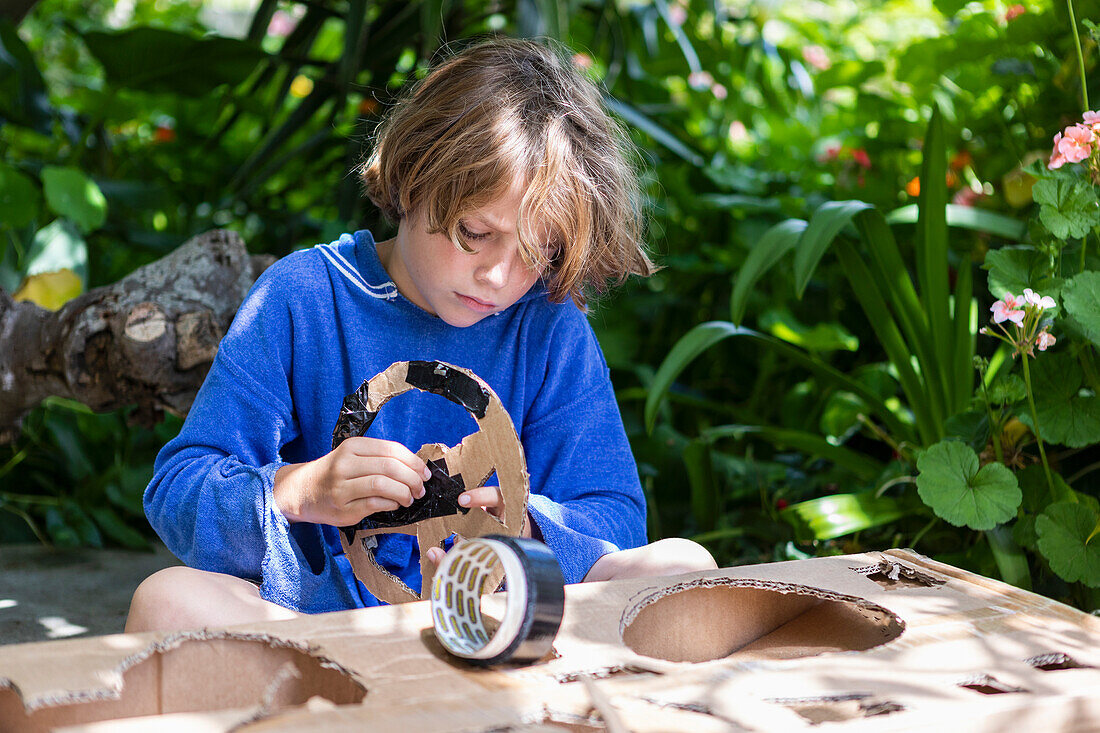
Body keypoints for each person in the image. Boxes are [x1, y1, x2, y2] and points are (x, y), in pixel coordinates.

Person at [126, 38, 716, 633]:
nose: (497, 275)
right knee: (167, 600)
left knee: (682, 565)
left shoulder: (548, 328)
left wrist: (530, 529)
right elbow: (180, 488)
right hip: (318, 623)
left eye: (536, 253)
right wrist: (300, 491)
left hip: (503, 620)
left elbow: (615, 519)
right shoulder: (303, 297)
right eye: (472, 233)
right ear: (413, 179)